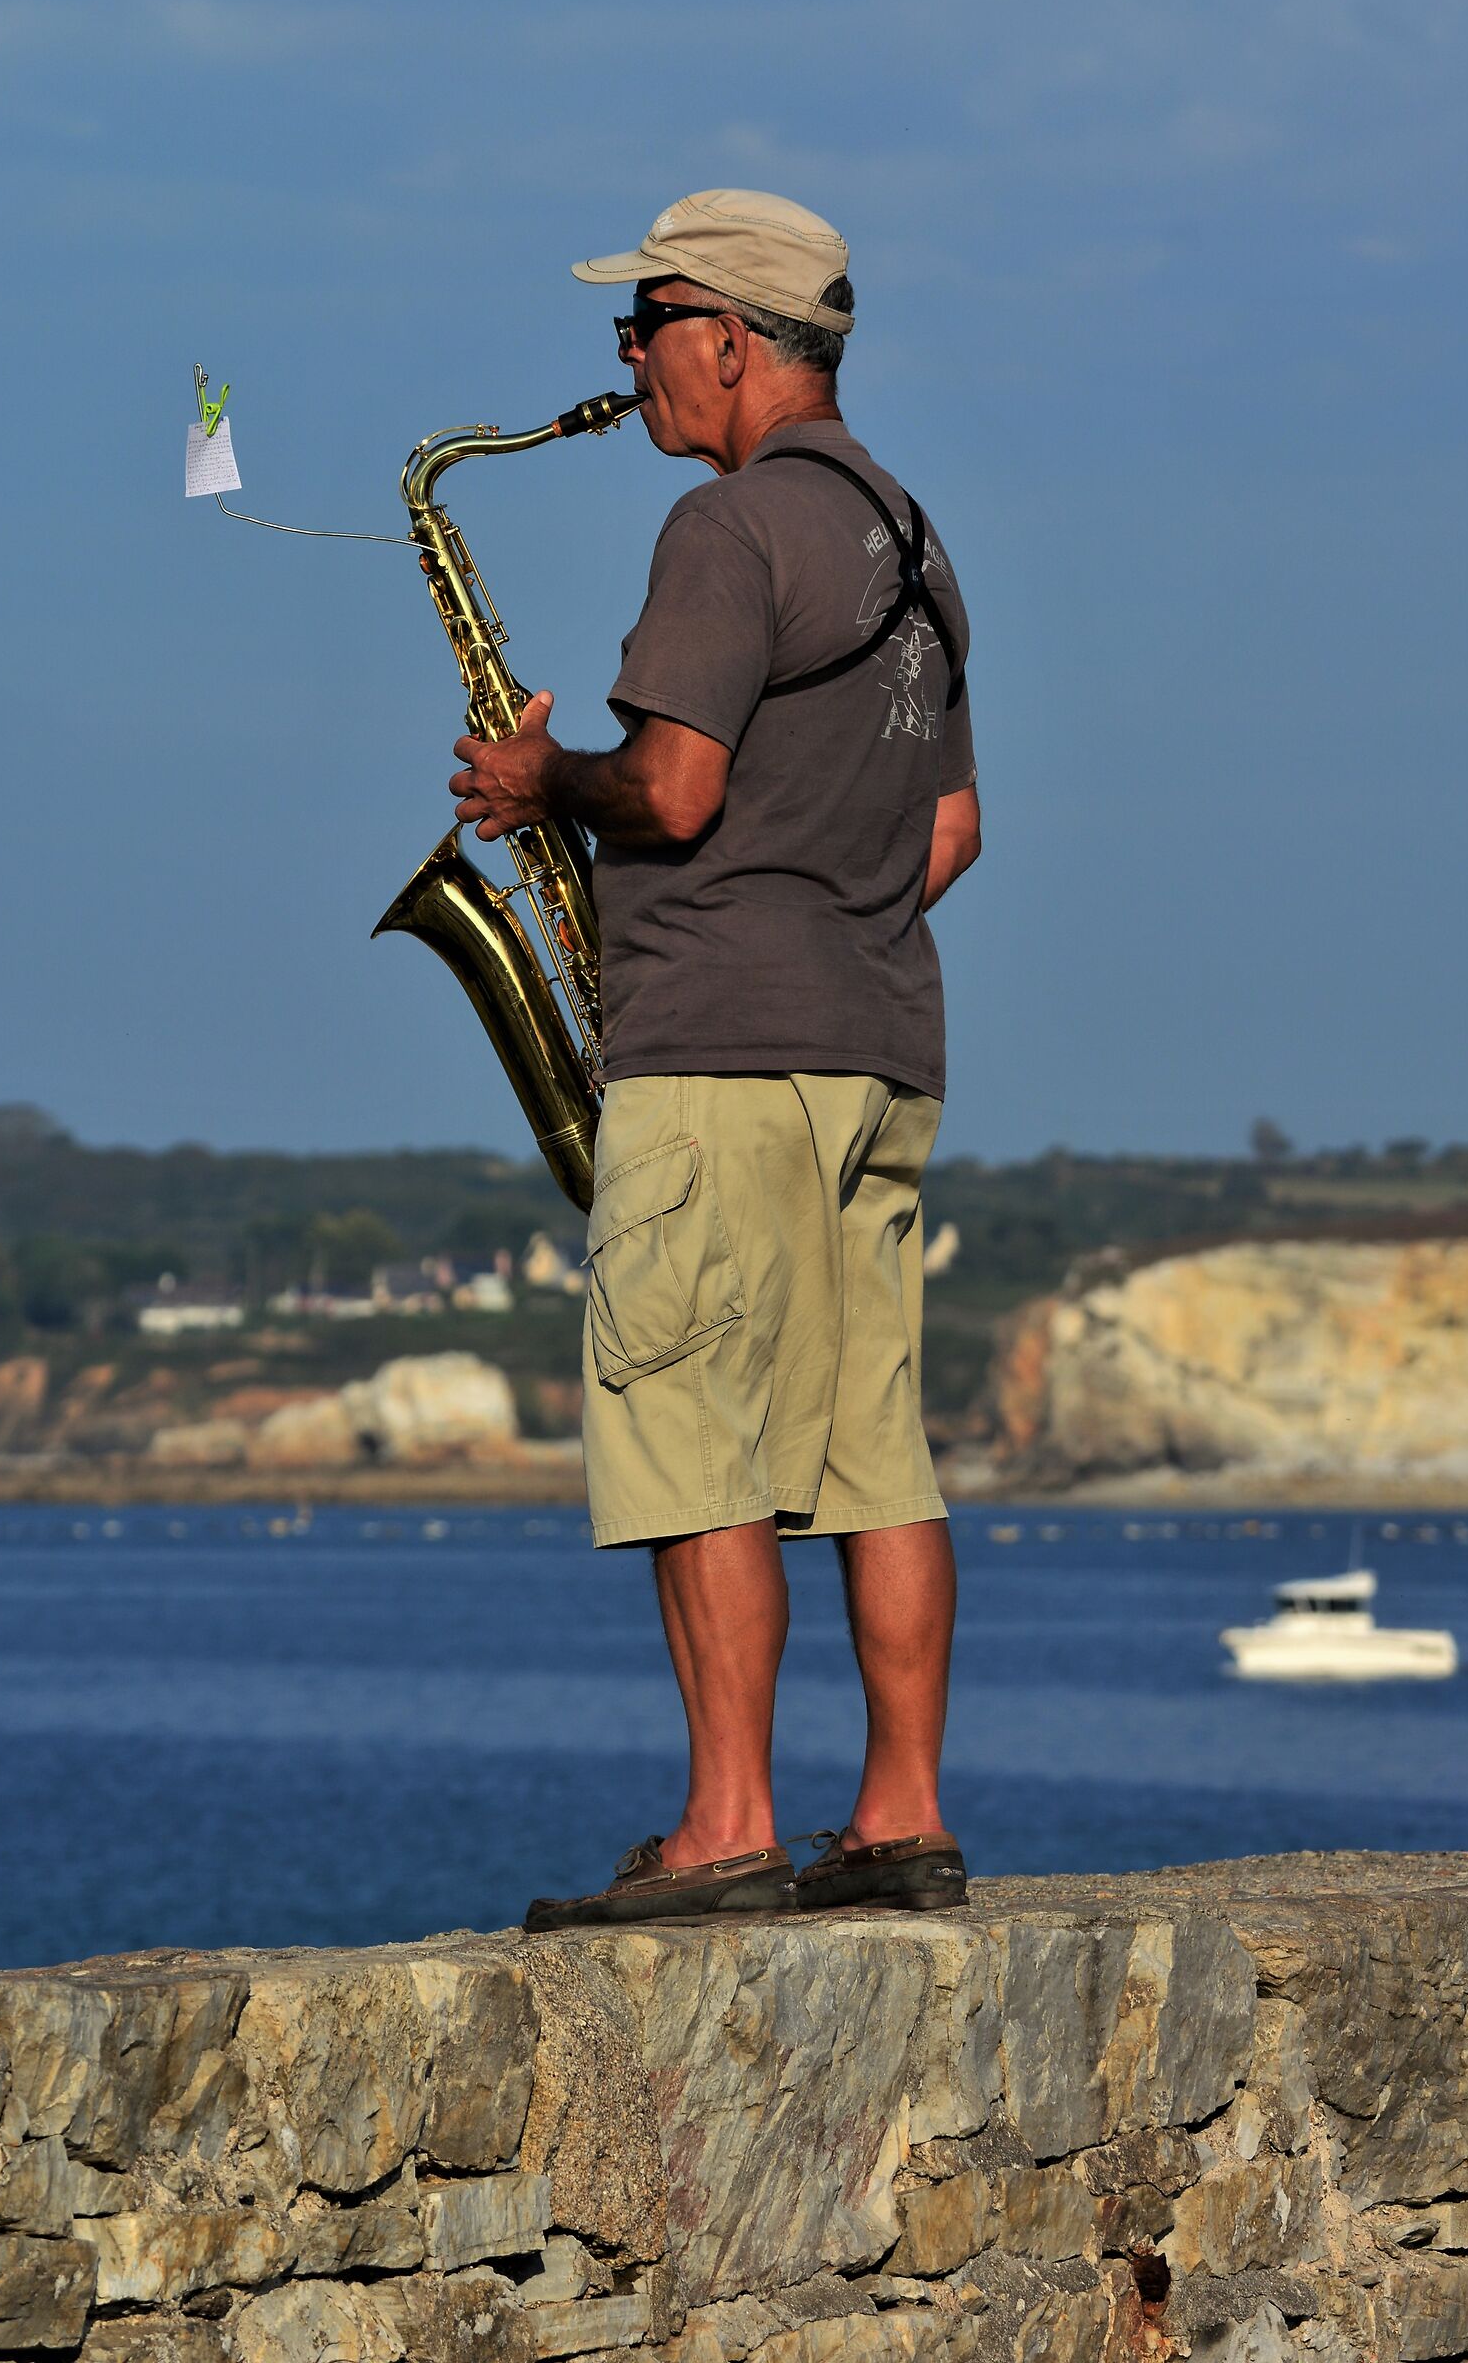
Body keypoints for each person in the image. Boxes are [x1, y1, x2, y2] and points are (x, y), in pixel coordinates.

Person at [446, 190, 982, 1933]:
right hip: (880, 1043)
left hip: (722, 1056)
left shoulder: (728, 526)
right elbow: (952, 831)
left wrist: (541, 789)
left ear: (730, 338)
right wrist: (825, 916)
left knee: (693, 1431)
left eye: (645, 321)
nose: (625, 358)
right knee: (874, 1450)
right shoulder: (914, 540)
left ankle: (725, 1828)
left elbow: (669, 793)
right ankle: (899, 1818)